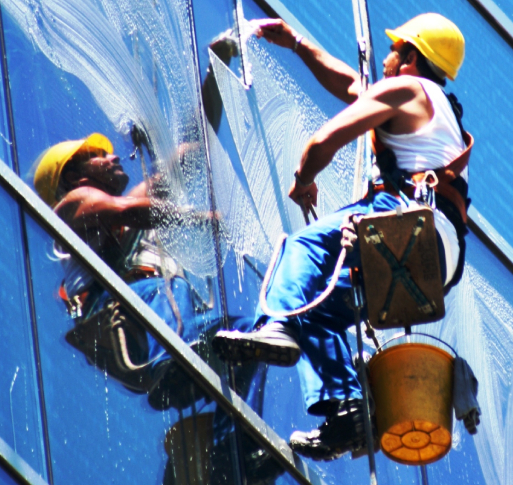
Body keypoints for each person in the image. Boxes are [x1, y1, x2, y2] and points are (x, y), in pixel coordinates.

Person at [211, 13, 472, 460]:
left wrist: (303, 178)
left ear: (410, 56)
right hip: (439, 253)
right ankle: (348, 411)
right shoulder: (435, 106)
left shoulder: (405, 89)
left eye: (393, 51)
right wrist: (297, 44)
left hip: (403, 215)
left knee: (301, 248)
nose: (385, 60)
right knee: (317, 311)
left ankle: (272, 325)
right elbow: (353, 86)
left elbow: (324, 141)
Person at [34, 133, 224, 411]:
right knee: (170, 288)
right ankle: (173, 364)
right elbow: (129, 209)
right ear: (75, 177)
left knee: (235, 336)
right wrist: (197, 218)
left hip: (133, 307)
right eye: (98, 157)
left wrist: (203, 110)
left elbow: (170, 175)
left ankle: (230, 427)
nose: (114, 156)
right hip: (108, 309)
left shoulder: (109, 214)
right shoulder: (74, 202)